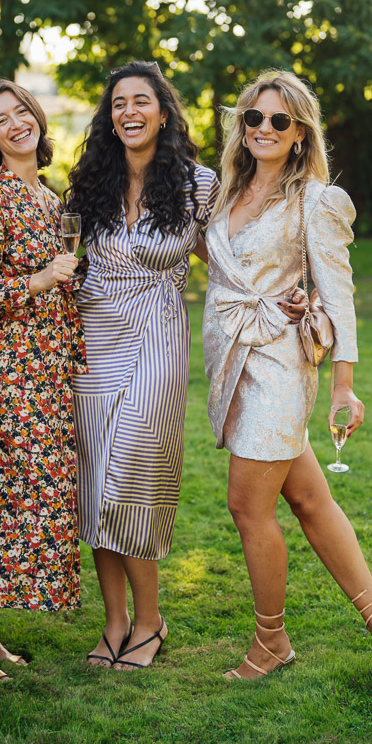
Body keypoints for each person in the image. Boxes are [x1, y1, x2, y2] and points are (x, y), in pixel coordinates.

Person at [202, 69, 372, 682]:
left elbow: (340, 293)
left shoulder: (316, 200)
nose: (264, 128)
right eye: (254, 117)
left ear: (300, 132)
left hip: (278, 368)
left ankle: (270, 641)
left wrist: (343, 384)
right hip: (232, 364)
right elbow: (224, 262)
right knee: (308, 499)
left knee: (248, 506)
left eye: (280, 120)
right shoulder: (224, 191)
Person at [65, 61, 219, 670]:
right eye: (118, 103)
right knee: (95, 477)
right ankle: (114, 623)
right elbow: (67, 259)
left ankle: (150, 621)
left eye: (141, 101)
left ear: (163, 111)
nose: (129, 112)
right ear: (109, 117)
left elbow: (227, 256)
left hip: (157, 335)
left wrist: (284, 294)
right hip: (93, 340)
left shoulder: (198, 184)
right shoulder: (89, 183)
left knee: (133, 473)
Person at [0, 79, 85, 682]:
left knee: (23, 498)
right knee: (16, 499)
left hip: (49, 369)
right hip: (11, 372)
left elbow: (63, 285)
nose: (15, 123)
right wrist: (41, 279)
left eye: (20, 111)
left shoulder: (51, 198)